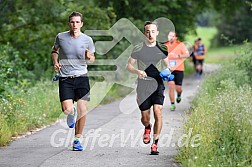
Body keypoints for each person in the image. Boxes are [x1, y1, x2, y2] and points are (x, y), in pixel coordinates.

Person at [51, 11, 95, 151]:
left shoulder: (87, 39)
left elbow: (92, 58)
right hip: (65, 78)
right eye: (72, 22)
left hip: (82, 77)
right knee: (67, 110)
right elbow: (54, 51)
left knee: (83, 109)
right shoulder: (61, 37)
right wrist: (55, 62)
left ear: (81, 24)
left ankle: (77, 139)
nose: (74, 24)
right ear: (68, 23)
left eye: (77, 22)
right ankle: (71, 112)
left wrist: (89, 56)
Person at [127, 21, 170, 155]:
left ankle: (155, 144)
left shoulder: (163, 48)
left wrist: (167, 72)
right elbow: (129, 66)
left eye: (153, 31)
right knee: (145, 118)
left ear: (157, 33)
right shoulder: (138, 48)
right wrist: (137, 71)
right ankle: (147, 127)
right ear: (144, 33)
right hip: (143, 86)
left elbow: (168, 65)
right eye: (147, 31)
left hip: (157, 85)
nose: (150, 34)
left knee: (158, 111)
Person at [164, 31, 189, 111]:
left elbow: (187, 54)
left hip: (179, 69)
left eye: (172, 36)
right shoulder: (165, 46)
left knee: (178, 88)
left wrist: (178, 56)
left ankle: (179, 94)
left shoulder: (180, 45)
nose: (171, 37)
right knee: (171, 86)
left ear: (175, 37)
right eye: (170, 36)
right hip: (169, 69)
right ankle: (172, 104)